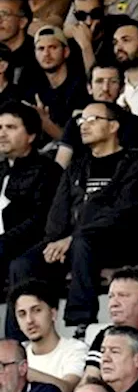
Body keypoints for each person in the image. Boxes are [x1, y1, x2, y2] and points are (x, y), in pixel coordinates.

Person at [8, 102, 138, 334]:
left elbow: (124, 213)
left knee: (82, 243)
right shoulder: (76, 167)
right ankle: (16, 338)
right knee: (22, 264)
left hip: (115, 242)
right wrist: (55, 240)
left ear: (113, 126)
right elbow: (57, 213)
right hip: (72, 243)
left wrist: (74, 237)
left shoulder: (134, 164)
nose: (83, 126)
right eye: (81, 121)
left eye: (92, 120)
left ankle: (79, 322)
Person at [0, 102, 60, 273]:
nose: (2, 134)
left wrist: (3, 241)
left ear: (31, 135)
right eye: (0, 127)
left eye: (10, 127)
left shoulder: (48, 171)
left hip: (21, 249)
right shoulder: (1, 170)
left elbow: (41, 221)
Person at [12, 281, 86, 392]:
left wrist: (18, 370)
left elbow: (66, 388)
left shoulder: (75, 349)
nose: (29, 320)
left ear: (53, 313)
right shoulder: (17, 352)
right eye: (22, 314)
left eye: (37, 310)